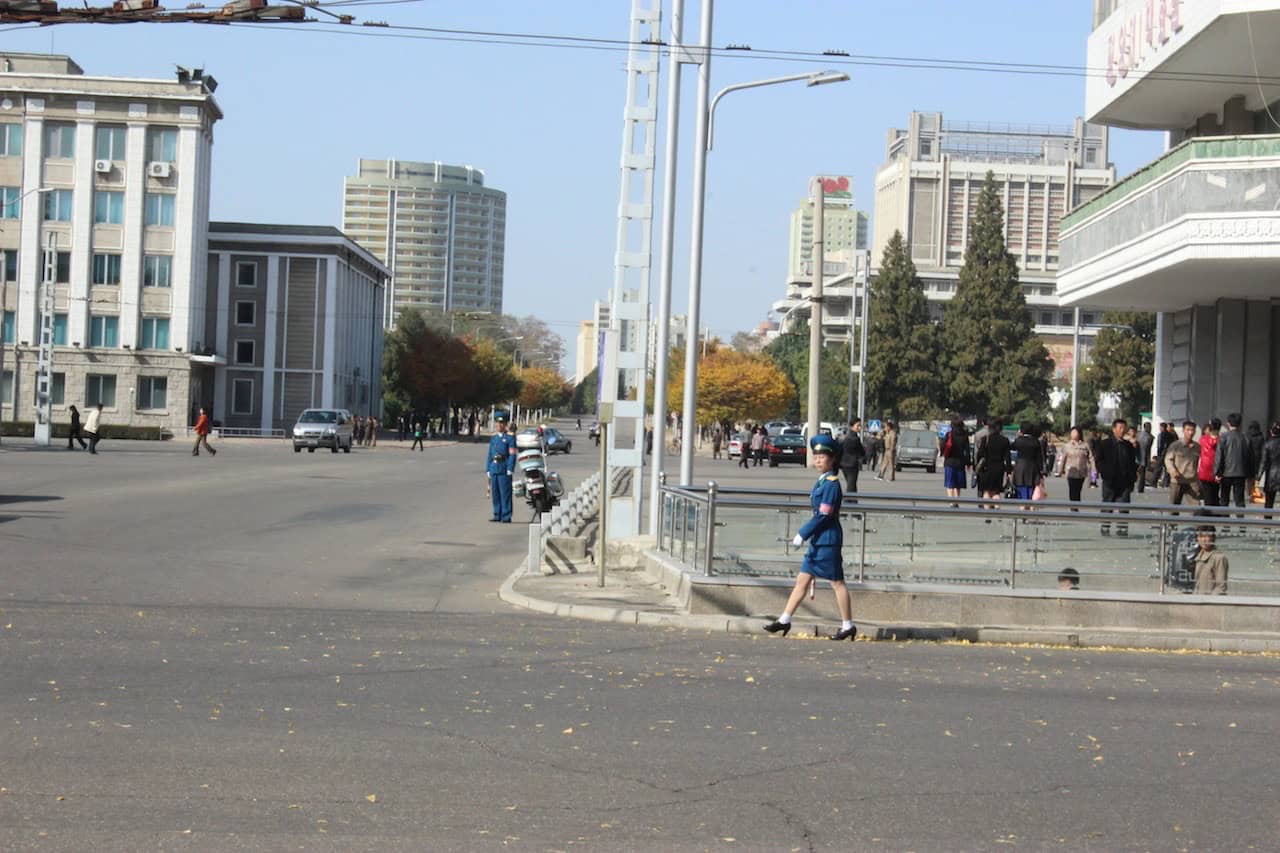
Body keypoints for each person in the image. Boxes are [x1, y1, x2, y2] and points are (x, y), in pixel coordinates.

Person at [764, 434, 856, 642]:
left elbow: (824, 515)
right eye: (815, 456)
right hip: (818, 540)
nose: (818, 460)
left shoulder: (832, 484)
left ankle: (848, 625)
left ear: (832, 459)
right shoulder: (823, 481)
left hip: (828, 540)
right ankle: (785, 619)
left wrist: (802, 533)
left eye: (822, 456)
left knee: (837, 583)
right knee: (802, 581)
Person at [1096, 418, 1137, 536]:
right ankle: (1105, 527)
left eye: (1124, 428)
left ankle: (1122, 528)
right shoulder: (1105, 444)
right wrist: (1104, 473)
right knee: (1107, 505)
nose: (1122, 430)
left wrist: (1132, 479)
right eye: (1120, 427)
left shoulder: (1128, 446)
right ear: (1114, 429)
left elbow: (1133, 464)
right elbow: (1099, 461)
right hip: (1110, 481)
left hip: (1124, 482)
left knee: (1124, 505)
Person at [1214, 412, 1251, 527]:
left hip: (1226, 473)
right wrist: (1250, 475)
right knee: (1239, 500)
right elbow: (1250, 457)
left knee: (1224, 500)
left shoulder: (1224, 437)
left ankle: (1226, 524)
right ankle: (1241, 524)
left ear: (1228, 423)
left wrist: (1217, 472)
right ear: (1240, 424)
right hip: (1241, 473)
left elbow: (1219, 456)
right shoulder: (1245, 438)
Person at [485, 411, 518, 523]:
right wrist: (488, 469)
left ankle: (506, 515)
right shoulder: (493, 439)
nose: (499, 426)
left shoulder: (509, 438)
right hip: (494, 467)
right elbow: (490, 454)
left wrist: (510, 468)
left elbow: (512, 454)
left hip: (504, 468)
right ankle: (497, 514)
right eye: (497, 424)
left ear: (505, 425)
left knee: (505, 493)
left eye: (501, 424)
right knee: (496, 493)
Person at [975, 418, 1011, 509]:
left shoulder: (985, 439)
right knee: (996, 491)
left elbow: (980, 454)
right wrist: (1009, 472)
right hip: (999, 468)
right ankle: (997, 509)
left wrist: (977, 466)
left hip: (987, 468)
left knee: (986, 491)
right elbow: (1008, 458)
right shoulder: (1005, 440)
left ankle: (987, 513)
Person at [1165, 421, 1202, 507]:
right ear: (1183, 430)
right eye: (1188, 430)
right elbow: (1168, 459)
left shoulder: (1197, 447)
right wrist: (1172, 470)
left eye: (1192, 430)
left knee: (1196, 507)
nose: (1190, 432)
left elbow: (1200, 462)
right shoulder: (1175, 445)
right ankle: (1171, 520)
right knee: (1173, 508)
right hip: (1177, 480)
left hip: (1192, 481)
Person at [1056, 426, 1093, 506]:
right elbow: (1062, 459)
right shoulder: (1067, 446)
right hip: (1071, 471)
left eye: (1075, 432)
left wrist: (1093, 470)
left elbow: (1091, 458)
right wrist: (1060, 471)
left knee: (1078, 489)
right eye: (1072, 432)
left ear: (1079, 434)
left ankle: (1076, 504)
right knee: (1072, 489)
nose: (1073, 434)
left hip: (1081, 471)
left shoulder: (1085, 445)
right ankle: (1074, 506)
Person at [1011, 422, 1043, 502]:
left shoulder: (1019, 441)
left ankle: (1023, 505)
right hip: (1032, 467)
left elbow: (1012, 447)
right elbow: (1039, 458)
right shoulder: (1036, 442)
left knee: (1021, 487)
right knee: (1031, 488)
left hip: (1020, 467)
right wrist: (1041, 471)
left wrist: (1018, 436)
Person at [940, 416, 970, 501]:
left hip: (949, 461)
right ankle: (956, 500)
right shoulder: (964, 435)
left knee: (950, 483)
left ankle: (951, 501)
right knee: (958, 484)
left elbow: (943, 447)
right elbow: (967, 450)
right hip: (960, 462)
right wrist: (968, 463)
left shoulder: (949, 434)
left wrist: (942, 453)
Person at [1193, 525, 1228, 595]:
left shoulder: (1219, 557)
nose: (1204, 540)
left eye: (1207, 536)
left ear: (1213, 538)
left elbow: (1221, 587)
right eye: (1201, 536)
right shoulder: (1198, 555)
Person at [1257, 422, 1280, 513]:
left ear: (1271, 432)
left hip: (1271, 475)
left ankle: (1267, 523)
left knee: (1269, 502)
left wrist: (1258, 477)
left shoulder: (1267, 444)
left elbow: (1263, 462)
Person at [1198, 418, 1221, 506]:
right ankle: (1216, 515)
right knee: (1216, 495)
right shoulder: (1222, 440)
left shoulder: (1203, 439)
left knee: (1207, 497)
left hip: (1204, 471)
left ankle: (1208, 516)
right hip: (1217, 472)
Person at [839, 419, 865, 494]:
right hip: (852, 464)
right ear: (852, 426)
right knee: (851, 485)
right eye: (858, 425)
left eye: (860, 425)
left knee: (851, 484)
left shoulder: (845, 437)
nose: (860, 427)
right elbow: (861, 451)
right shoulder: (855, 438)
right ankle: (850, 501)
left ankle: (852, 500)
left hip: (844, 464)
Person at [1246, 420, 1265, 503]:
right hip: (1257, 459)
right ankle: (1253, 494)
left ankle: (1249, 493)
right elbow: (1263, 450)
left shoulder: (1247, 435)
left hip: (1248, 459)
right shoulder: (1261, 437)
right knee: (1254, 477)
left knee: (1249, 478)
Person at [1156, 422, 1176, 488]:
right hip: (1167, 453)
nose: (1168, 428)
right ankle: (1165, 482)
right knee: (1166, 468)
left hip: (1165, 453)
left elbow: (1161, 445)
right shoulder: (1170, 434)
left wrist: (1159, 453)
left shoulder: (1170, 434)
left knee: (1161, 467)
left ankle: (1161, 482)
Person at [1136, 422, 1154, 493]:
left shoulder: (1139, 434)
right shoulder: (1150, 437)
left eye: (1150, 427)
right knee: (1142, 473)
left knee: (1141, 473)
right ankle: (1140, 488)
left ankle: (1140, 487)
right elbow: (1147, 450)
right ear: (1145, 427)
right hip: (1143, 457)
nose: (1150, 428)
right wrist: (1148, 460)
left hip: (1138, 457)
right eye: (1148, 427)